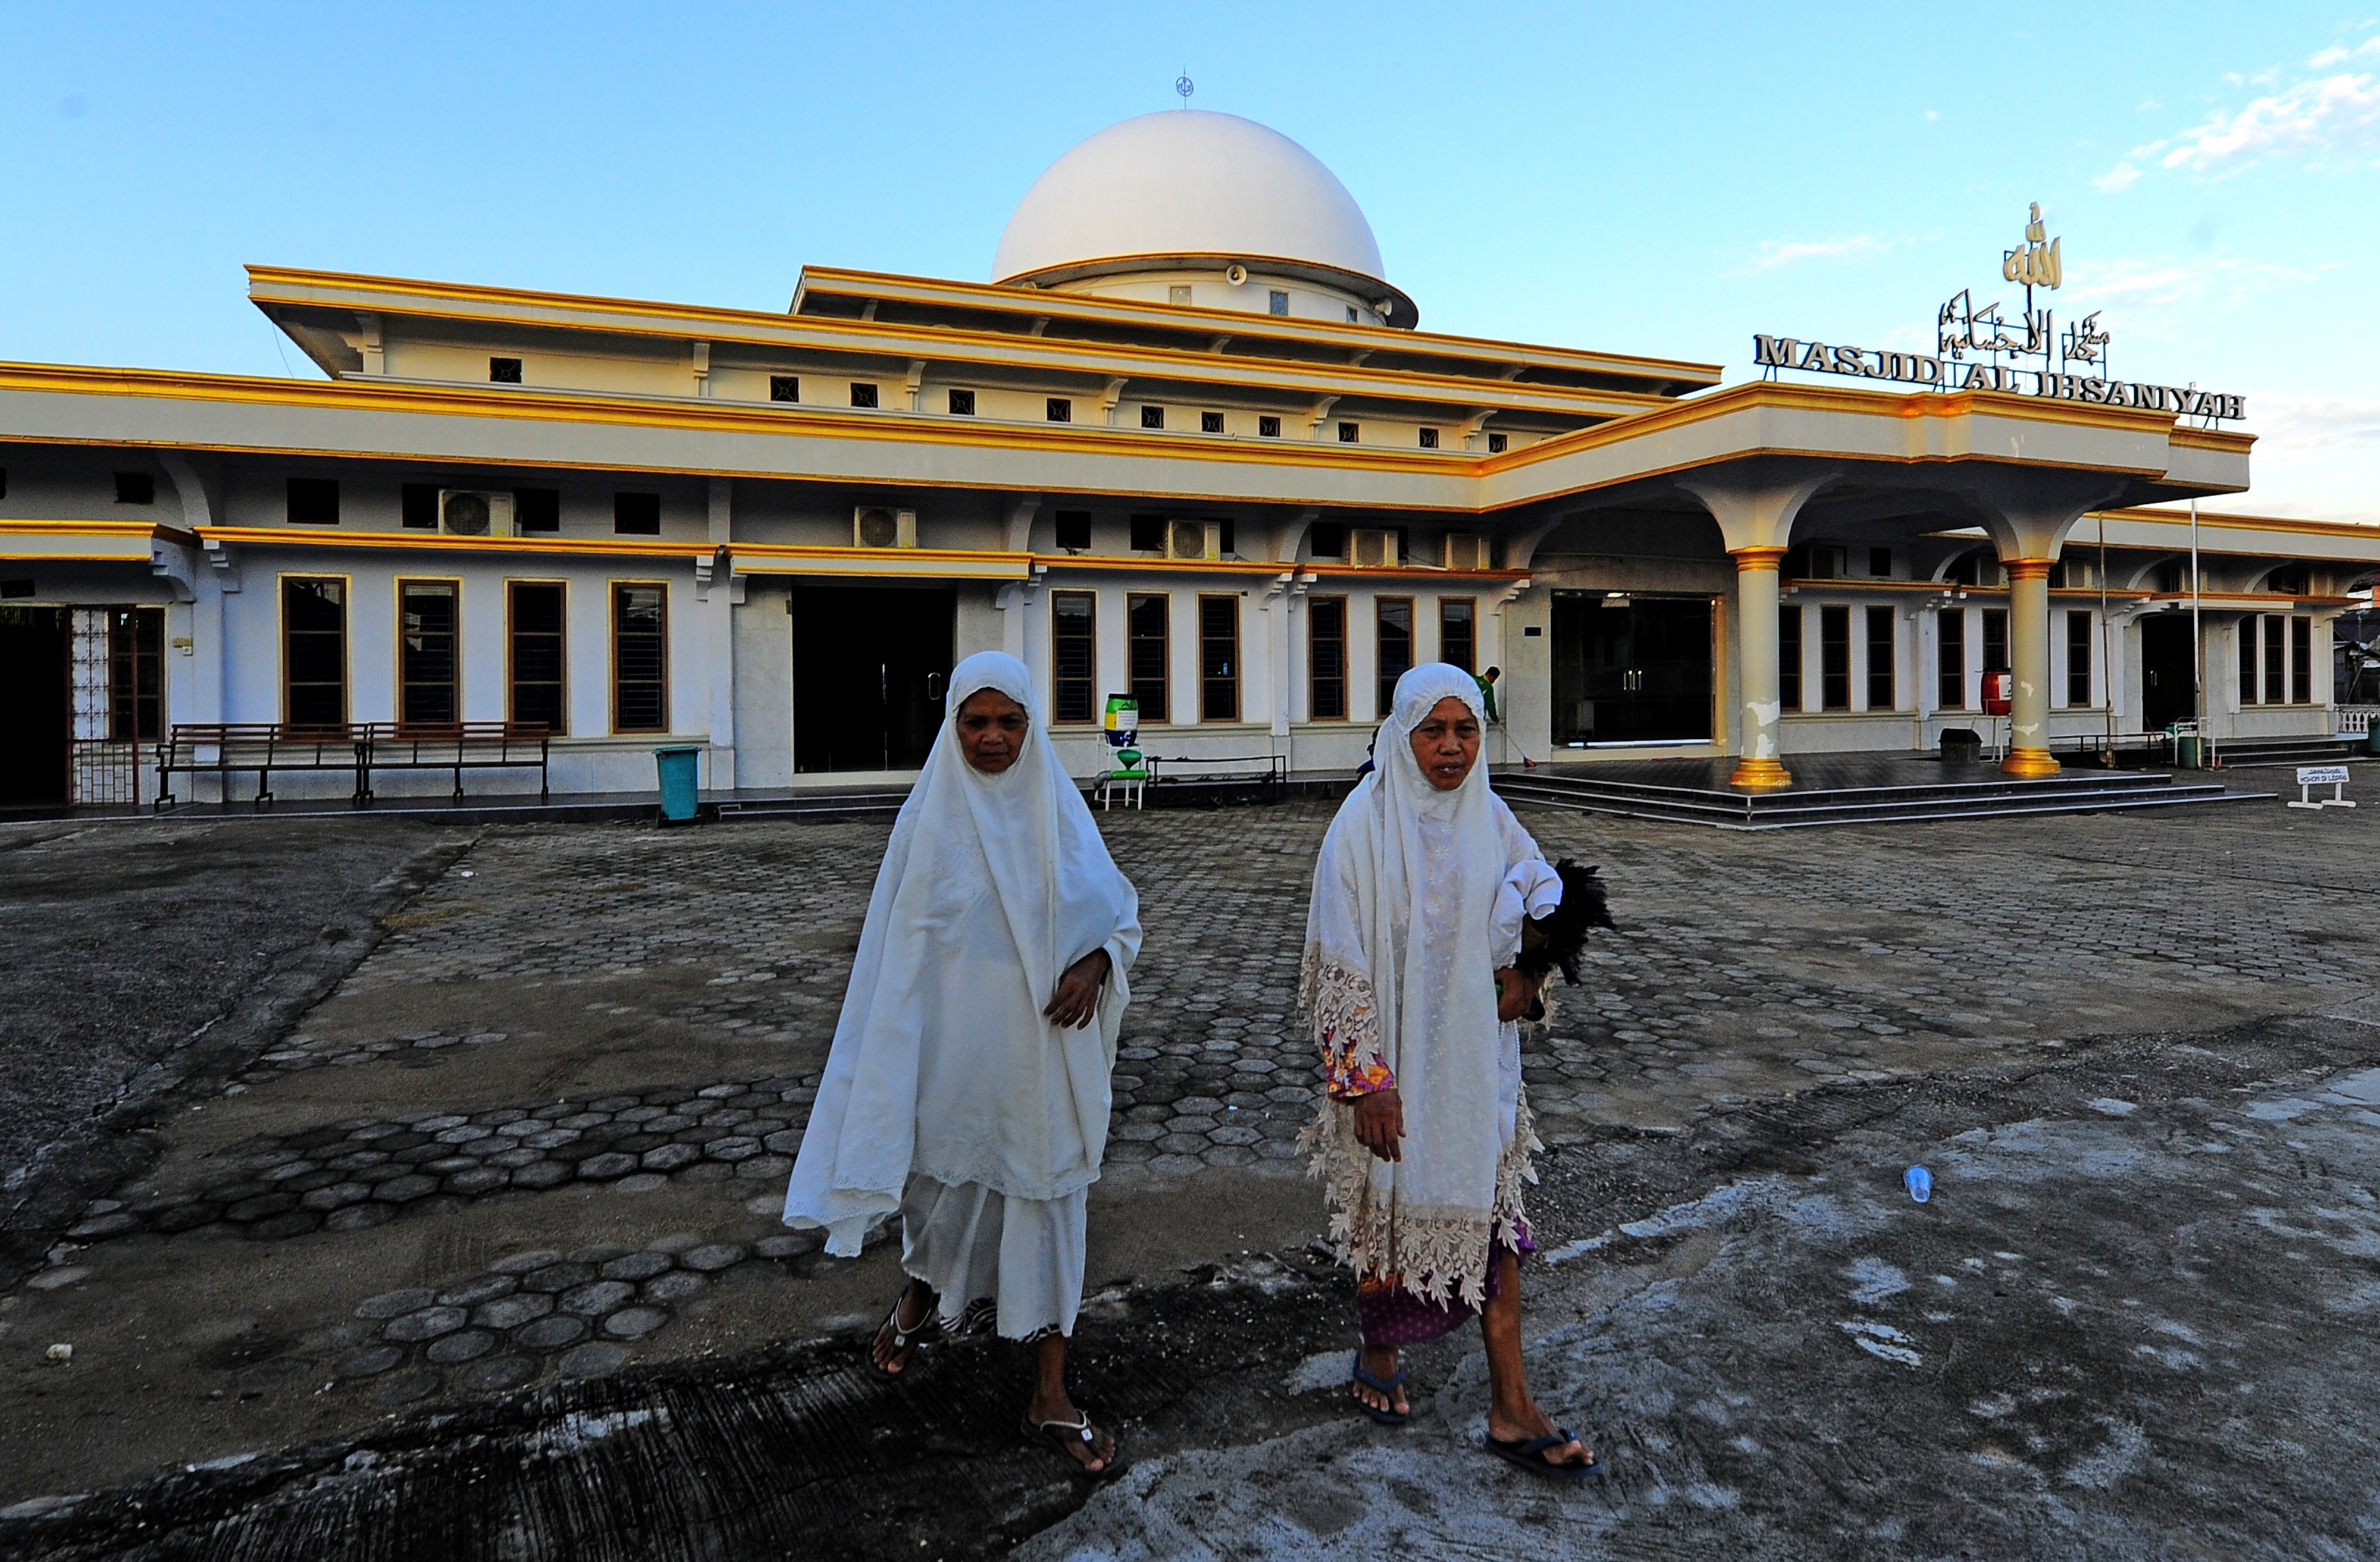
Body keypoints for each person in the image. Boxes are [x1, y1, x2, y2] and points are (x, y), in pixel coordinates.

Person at [783, 650, 1141, 1477]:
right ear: (952, 725)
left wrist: (1094, 966)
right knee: (945, 1195)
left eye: (1008, 721)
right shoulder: (929, 821)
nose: (992, 738)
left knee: (1051, 1205)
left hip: (1043, 1061)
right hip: (956, 1061)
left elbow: (1118, 912)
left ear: (1031, 725)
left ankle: (1050, 1391)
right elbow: (897, 957)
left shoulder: (1060, 812)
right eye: (975, 722)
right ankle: (915, 1305)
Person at [1301, 661, 1597, 1477]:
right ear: (1402, 735)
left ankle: (1512, 1403)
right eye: (1434, 730)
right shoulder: (1362, 825)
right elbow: (1338, 958)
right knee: (1390, 1211)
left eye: (1466, 730)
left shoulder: (1494, 819)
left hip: (1473, 1070)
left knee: (1495, 1223)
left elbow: (1546, 909)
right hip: (1395, 1066)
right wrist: (1366, 1078)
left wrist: (1531, 978)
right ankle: (1380, 1353)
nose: (1452, 747)